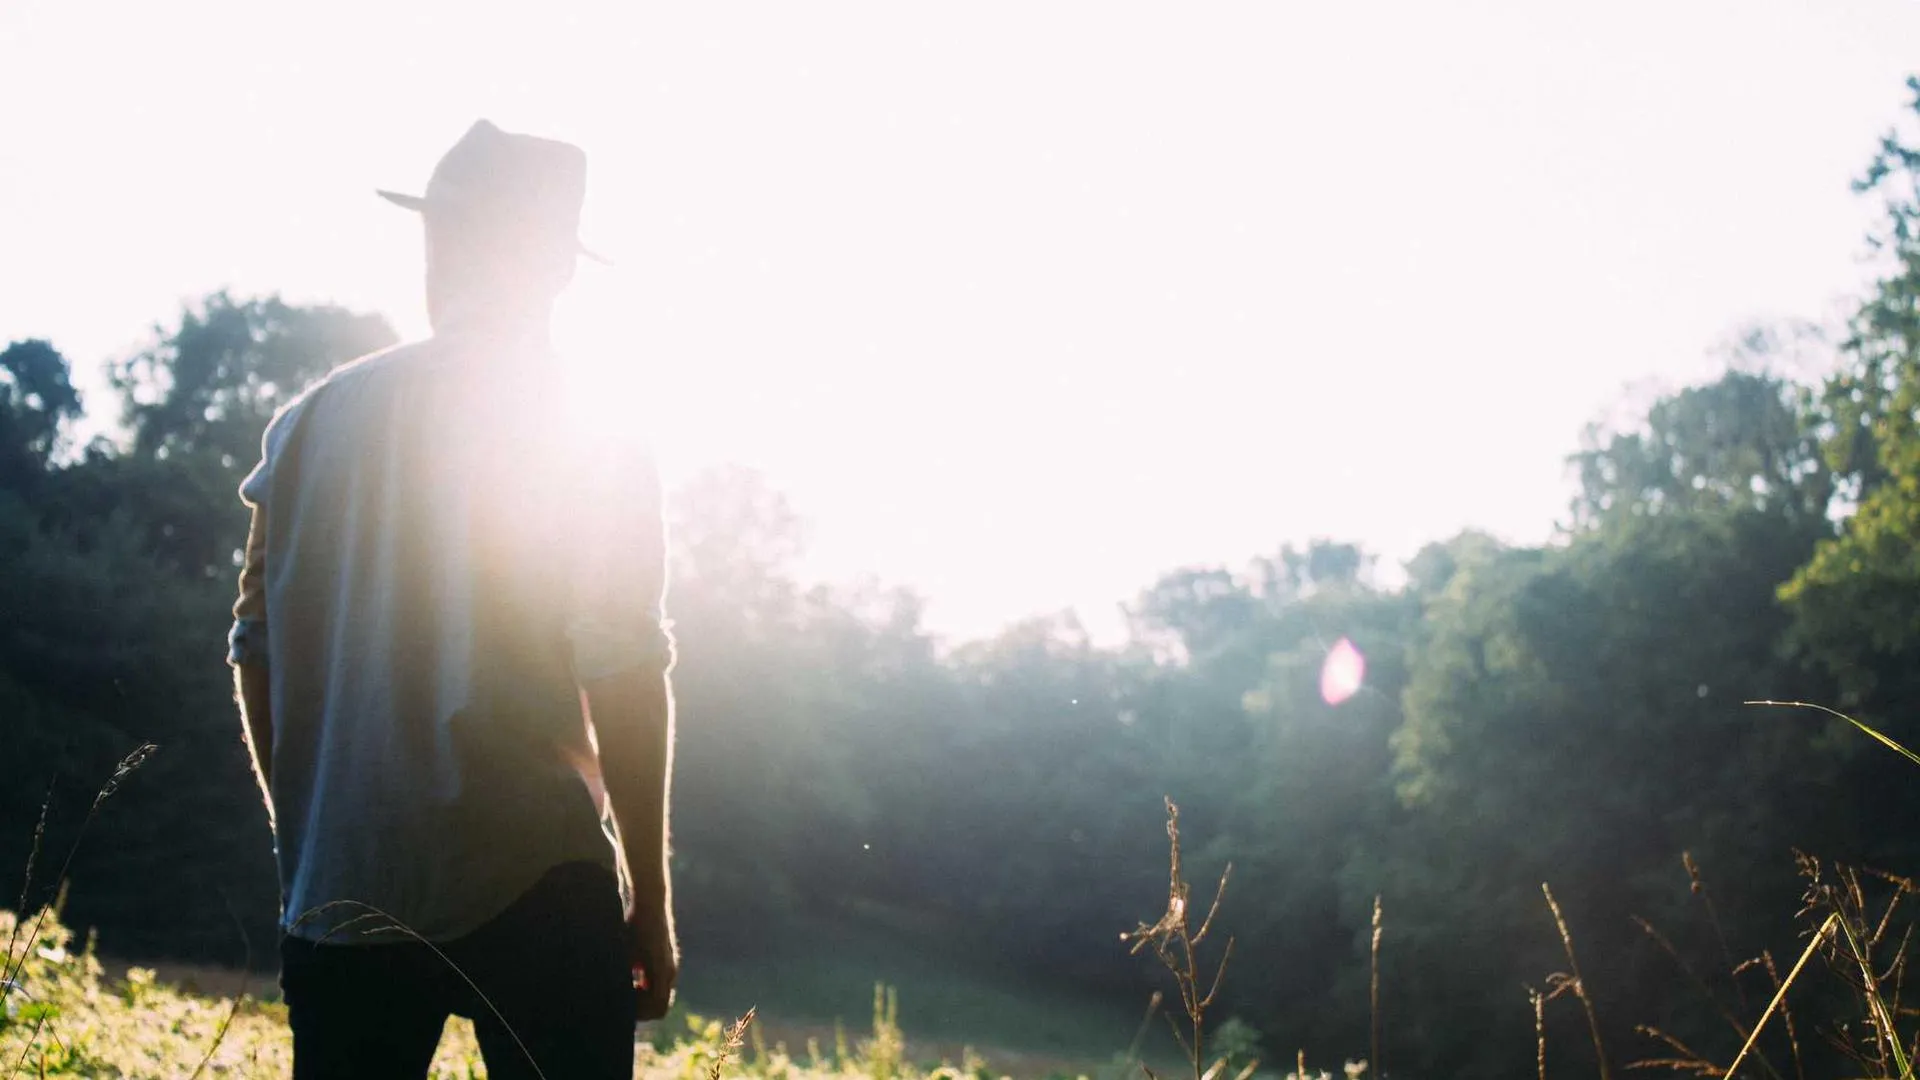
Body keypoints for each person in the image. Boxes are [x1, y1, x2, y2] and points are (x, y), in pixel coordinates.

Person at [227, 119, 679, 1079]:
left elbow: (254, 649)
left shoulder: (302, 430)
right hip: (537, 880)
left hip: (343, 893)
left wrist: (307, 840)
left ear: (444, 242)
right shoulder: (588, 424)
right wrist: (651, 900)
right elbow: (626, 668)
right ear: (557, 266)